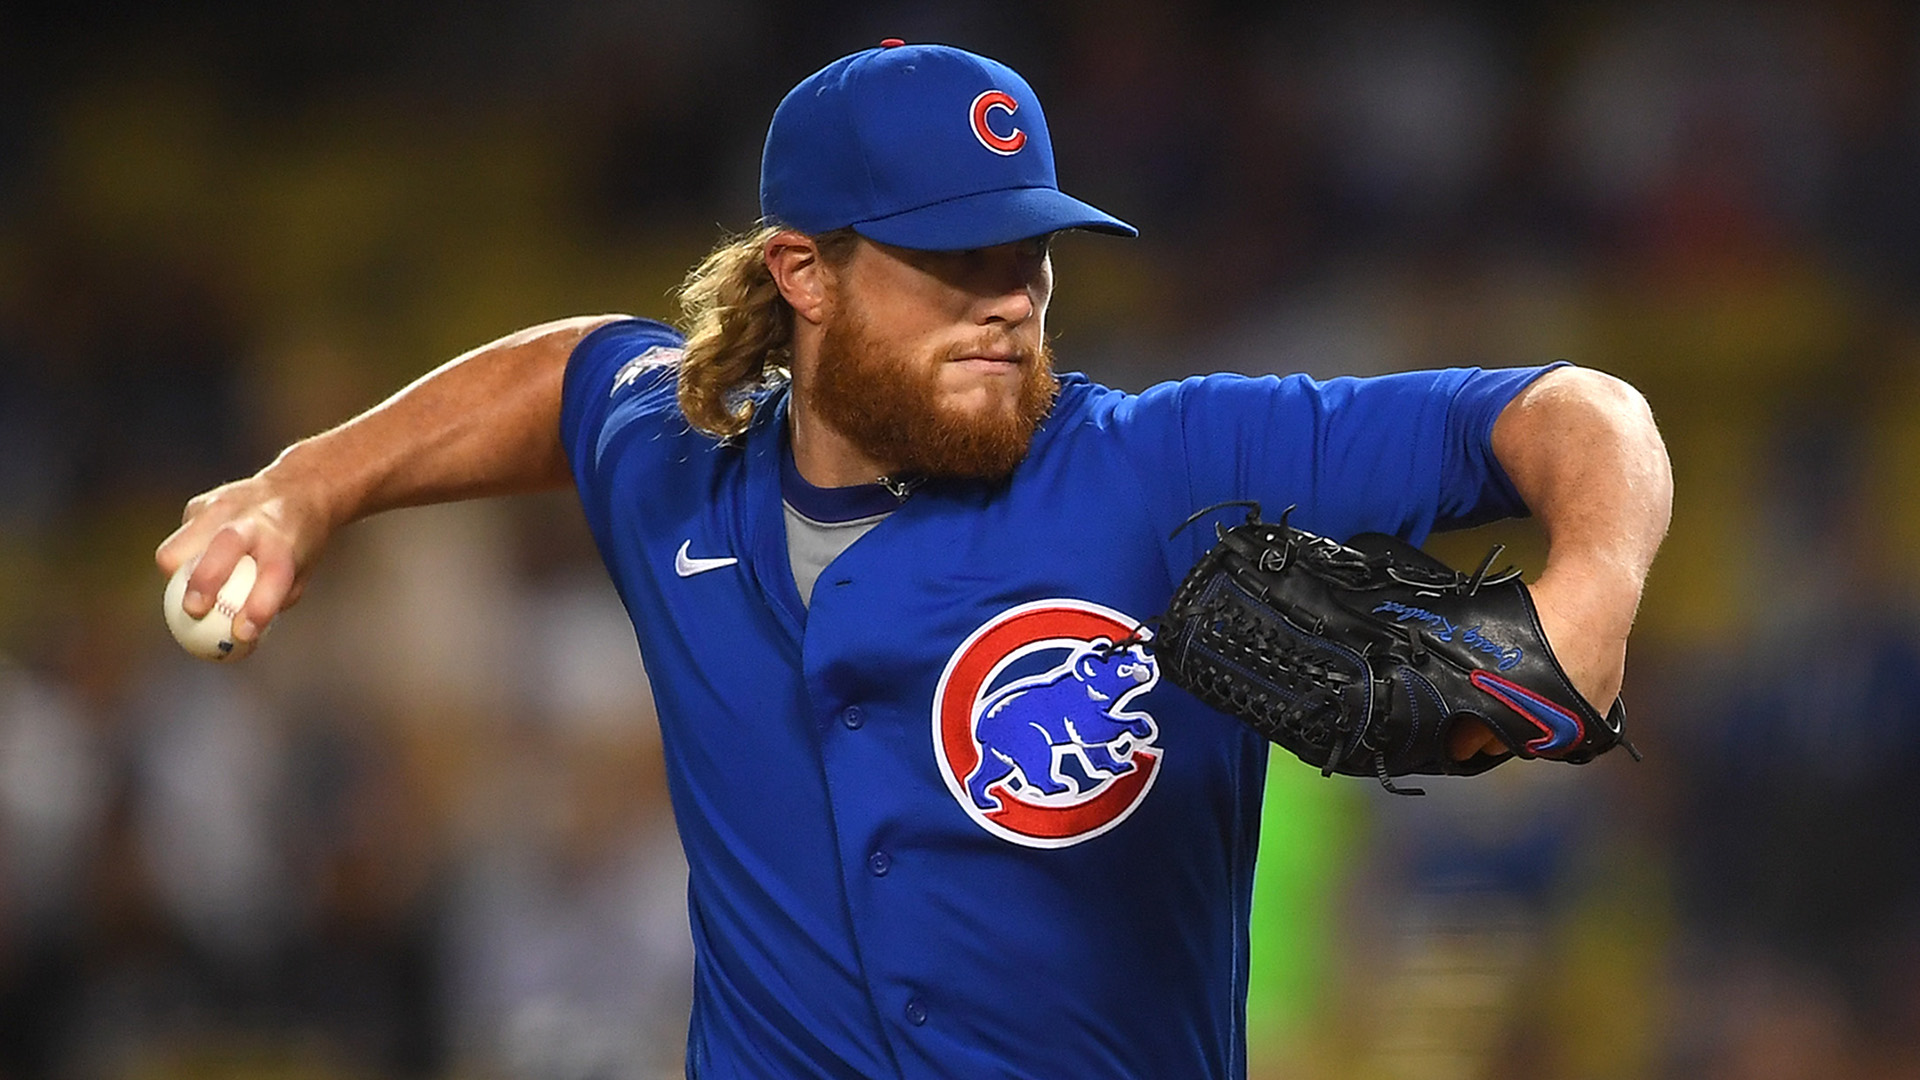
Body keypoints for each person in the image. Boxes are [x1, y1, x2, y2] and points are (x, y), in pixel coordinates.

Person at [157, 40, 1672, 1080]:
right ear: (801, 276)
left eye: (1027, 256)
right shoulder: (683, 479)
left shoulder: (1168, 466)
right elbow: (570, 379)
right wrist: (304, 492)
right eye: (953, 263)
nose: (1007, 302)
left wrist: (1586, 599)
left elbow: (1572, 414)